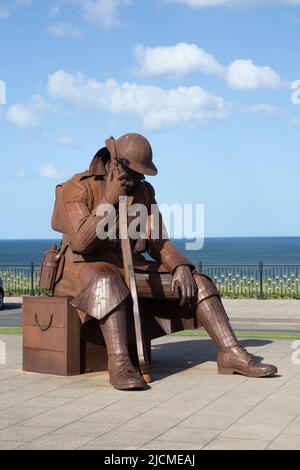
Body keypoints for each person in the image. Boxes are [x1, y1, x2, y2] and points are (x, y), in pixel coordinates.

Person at [52, 133, 277, 390]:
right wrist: (109, 201)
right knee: (107, 281)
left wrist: (179, 266)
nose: (138, 179)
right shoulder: (77, 187)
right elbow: (81, 241)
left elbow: (157, 241)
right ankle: (120, 362)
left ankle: (230, 352)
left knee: (198, 283)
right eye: (134, 172)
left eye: (141, 174)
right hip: (80, 268)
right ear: (115, 163)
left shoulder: (144, 192)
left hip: (126, 266)